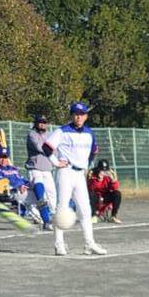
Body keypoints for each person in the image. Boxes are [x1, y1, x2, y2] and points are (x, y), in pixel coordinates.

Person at [48, 102, 107, 256]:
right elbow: (47, 147)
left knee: (85, 210)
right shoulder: (62, 131)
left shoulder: (89, 132)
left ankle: (89, 244)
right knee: (61, 208)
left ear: (86, 116)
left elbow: (94, 150)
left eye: (81, 114)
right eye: (75, 114)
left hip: (79, 174)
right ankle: (58, 244)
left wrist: (87, 165)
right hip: (65, 172)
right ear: (72, 115)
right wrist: (55, 162)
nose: (78, 116)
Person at [22, 114, 56, 226]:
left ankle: (54, 217)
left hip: (47, 169)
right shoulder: (32, 134)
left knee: (51, 195)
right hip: (35, 168)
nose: (42, 124)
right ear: (36, 123)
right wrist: (51, 148)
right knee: (39, 192)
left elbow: (56, 149)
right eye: (40, 122)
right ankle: (45, 219)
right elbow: (40, 147)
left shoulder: (50, 134)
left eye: (44, 122)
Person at [0, 147, 34, 222]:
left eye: (5, 157)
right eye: (1, 157)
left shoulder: (12, 168)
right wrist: (19, 186)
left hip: (21, 191)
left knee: (36, 191)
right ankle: (39, 217)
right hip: (7, 193)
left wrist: (25, 185)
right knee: (31, 198)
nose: (3, 160)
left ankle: (39, 216)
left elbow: (22, 179)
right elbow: (2, 182)